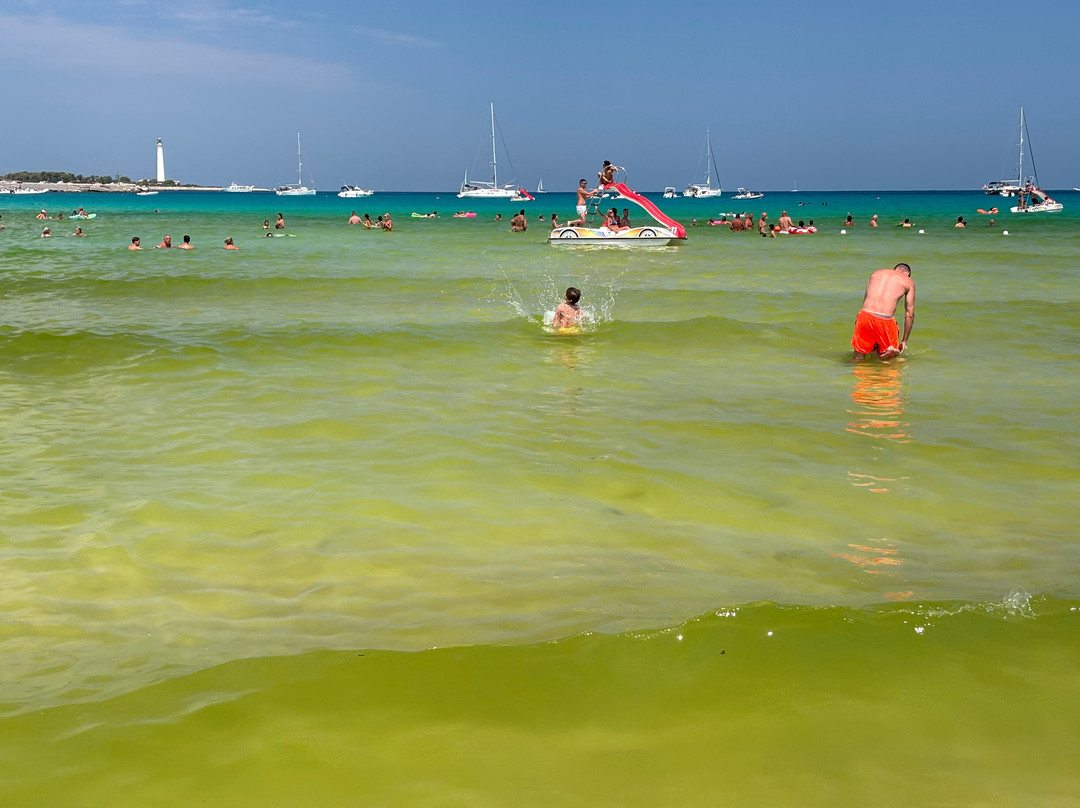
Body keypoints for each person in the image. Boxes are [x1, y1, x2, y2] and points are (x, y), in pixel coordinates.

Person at [851, 263, 915, 359]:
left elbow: (865, 300)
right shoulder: (908, 281)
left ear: (894, 269)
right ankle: (889, 354)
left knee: (857, 357)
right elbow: (909, 313)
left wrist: (860, 322)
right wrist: (904, 340)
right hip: (885, 320)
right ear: (907, 273)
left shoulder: (875, 274)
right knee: (888, 360)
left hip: (864, 315)